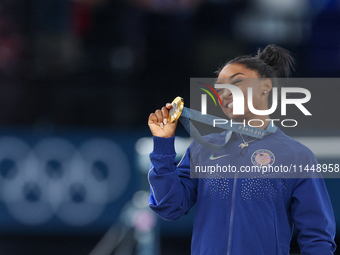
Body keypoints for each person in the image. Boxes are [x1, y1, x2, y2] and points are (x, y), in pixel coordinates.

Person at [147, 44, 336, 255]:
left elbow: (317, 238)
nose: (226, 94)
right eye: (220, 90)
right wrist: (163, 144)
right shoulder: (202, 148)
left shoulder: (296, 156)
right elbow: (169, 207)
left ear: (266, 86)